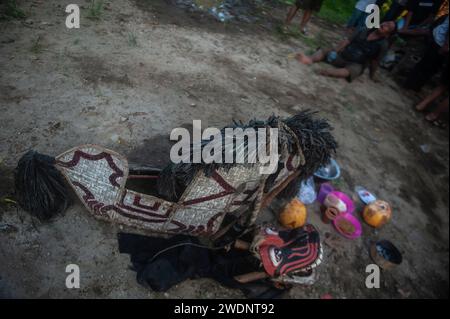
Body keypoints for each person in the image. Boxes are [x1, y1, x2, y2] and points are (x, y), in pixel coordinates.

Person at [296, 21, 397, 82]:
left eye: (388, 26)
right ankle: (309, 59)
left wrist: (372, 75)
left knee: (350, 72)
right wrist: (335, 51)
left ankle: (326, 72)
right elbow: (347, 41)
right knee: (326, 50)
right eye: (385, 22)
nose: (384, 25)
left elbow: (375, 61)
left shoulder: (383, 45)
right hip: (343, 55)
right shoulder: (364, 30)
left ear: (388, 34)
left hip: (356, 64)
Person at [404, 15, 449, 91]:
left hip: (439, 39)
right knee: (428, 66)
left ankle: (413, 86)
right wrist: (446, 44)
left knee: (429, 67)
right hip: (440, 41)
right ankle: (410, 85)